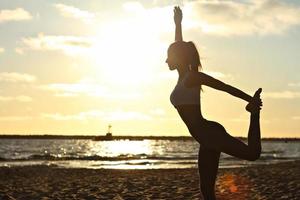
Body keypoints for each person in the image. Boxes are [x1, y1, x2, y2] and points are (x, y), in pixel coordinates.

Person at [166, 6, 263, 200]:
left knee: (252, 154)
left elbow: (224, 86)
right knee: (206, 189)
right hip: (205, 138)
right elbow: (180, 46)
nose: (166, 60)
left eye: (169, 56)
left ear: (178, 58)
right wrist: (178, 23)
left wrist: (250, 100)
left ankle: (254, 114)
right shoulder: (182, 76)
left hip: (210, 134)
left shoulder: (192, 77)